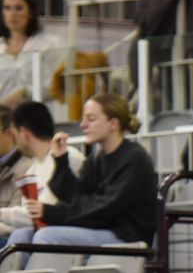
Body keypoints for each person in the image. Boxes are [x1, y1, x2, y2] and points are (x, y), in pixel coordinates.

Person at [4, 94, 158, 260]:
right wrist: (61, 161)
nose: (83, 125)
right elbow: (76, 197)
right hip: (101, 228)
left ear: (113, 123)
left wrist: (50, 212)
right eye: (83, 119)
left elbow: (103, 208)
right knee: (21, 236)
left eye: (91, 119)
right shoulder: (96, 159)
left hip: (125, 236)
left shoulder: (134, 159)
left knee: (47, 237)